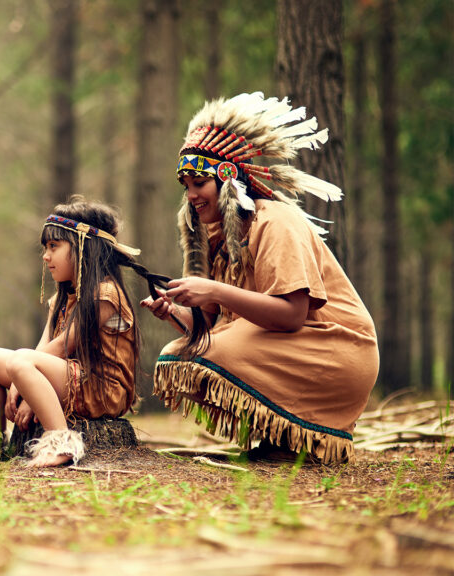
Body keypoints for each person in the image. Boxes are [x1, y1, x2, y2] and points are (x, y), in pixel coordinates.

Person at [140, 92, 378, 464]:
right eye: (185, 186)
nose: (191, 196)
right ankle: (280, 442)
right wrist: (174, 311)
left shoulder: (275, 221)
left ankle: (298, 443)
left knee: (199, 356)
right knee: (180, 355)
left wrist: (214, 289)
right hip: (288, 347)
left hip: (337, 353)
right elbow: (215, 326)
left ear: (228, 178)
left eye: (199, 183)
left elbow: (292, 315)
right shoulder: (217, 235)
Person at [0, 197, 160, 468]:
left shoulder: (105, 294)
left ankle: (61, 441)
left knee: (20, 361)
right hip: (70, 377)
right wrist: (24, 383)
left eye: (54, 246)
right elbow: (42, 347)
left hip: (102, 389)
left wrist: (23, 387)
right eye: (46, 247)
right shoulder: (63, 298)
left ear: (84, 247)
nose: (46, 256)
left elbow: (60, 347)